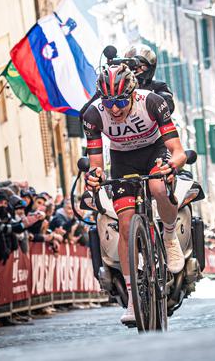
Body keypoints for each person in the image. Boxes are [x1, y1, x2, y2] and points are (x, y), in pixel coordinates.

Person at [83, 64, 187, 325]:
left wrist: (171, 166)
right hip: (122, 160)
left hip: (155, 150)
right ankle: (132, 299)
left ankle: (170, 235)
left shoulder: (151, 102)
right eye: (108, 102)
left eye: (120, 101)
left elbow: (178, 151)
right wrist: (94, 177)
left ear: (131, 94)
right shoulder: (93, 115)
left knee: (157, 187)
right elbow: (96, 164)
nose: (115, 109)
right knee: (127, 223)